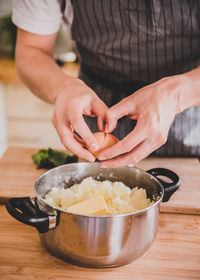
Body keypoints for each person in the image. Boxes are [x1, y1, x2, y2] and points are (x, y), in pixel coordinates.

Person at [12, 0, 200, 168]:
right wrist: (62, 88)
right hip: (95, 115)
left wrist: (175, 95)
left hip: (191, 125)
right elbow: (31, 49)